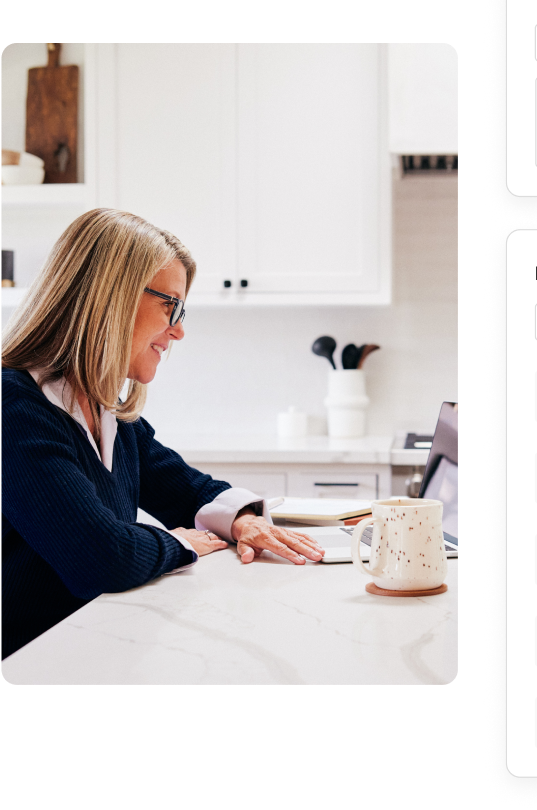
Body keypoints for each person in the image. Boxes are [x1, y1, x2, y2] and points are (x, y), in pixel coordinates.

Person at [1, 209, 325, 660]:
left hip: (87, 648)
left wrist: (242, 520)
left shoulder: (105, 410)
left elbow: (186, 489)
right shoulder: (13, 406)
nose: (178, 329)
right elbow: (99, 560)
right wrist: (180, 544)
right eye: (169, 304)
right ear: (110, 296)